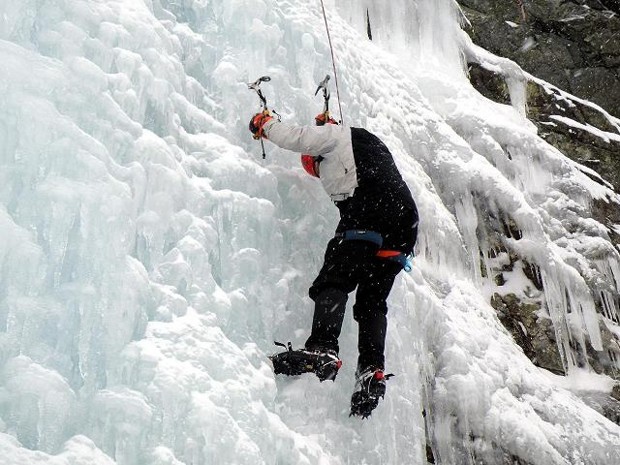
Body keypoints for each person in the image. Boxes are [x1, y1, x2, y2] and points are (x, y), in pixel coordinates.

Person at [249, 111, 419, 418]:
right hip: (404, 223)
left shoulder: (335, 138)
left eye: (315, 165)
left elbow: (298, 137)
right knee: (372, 302)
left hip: (371, 209)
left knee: (335, 278)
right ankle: (371, 371)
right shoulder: (369, 147)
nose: (318, 171)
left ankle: (323, 347)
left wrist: (266, 125)